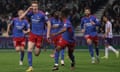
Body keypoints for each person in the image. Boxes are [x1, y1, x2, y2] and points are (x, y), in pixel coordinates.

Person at [20, 1, 51, 72]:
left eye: (35, 6)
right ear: (31, 7)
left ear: (37, 7)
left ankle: (40, 46)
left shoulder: (42, 14)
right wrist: (28, 9)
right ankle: (30, 67)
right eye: (33, 6)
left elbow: (48, 24)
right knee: (29, 49)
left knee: (36, 53)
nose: (34, 7)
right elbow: (21, 17)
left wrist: (48, 34)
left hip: (40, 35)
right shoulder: (30, 13)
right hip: (32, 34)